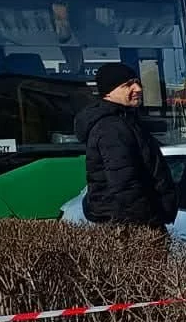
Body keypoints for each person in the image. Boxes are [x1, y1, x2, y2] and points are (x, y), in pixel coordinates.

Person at [74, 62, 177, 230]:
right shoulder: (111, 128)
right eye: (128, 85)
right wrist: (148, 223)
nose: (137, 88)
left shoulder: (126, 120)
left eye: (137, 82)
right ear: (109, 92)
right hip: (131, 226)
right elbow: (124, 184)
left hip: (132, 223)